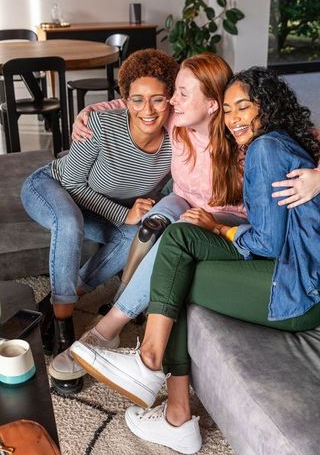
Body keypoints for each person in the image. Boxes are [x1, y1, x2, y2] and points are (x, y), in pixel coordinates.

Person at [70, 67, 320, 454]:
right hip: (288, 271)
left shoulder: (265, 148)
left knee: (179, 271)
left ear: (267, 108)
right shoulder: (271, 143)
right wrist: (89, 112)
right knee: (180, 237)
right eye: (230, 109)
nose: (235, 118)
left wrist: (222, 230)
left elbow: (267, 243)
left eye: (245, 108)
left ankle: (167, 396)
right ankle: (155, 377)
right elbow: (147, 100)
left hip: (295, 286)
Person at [49, 53, 251, 391]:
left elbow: (304, 139)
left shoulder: (241, 136)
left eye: (182, 93)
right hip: (183, 200)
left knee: (175, 234)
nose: (172, 100)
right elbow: (138, 102)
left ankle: (105, 330)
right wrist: (87, 113)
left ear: (214, 104)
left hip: (227, 213)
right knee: (153, 222)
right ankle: (126, 300)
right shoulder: (177, 120)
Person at [20, 48, 179, 361]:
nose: (147, 109)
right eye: (137, 99)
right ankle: (64, 329)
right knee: (69, 222)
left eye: (157, 99)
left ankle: (59, 300)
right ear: (126, 100)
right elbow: (72, 183)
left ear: (171, 99)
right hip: (51, 186)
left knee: (134, 236)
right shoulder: (101, 126)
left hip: (96, 205)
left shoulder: (177, 143)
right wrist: (124, 213)